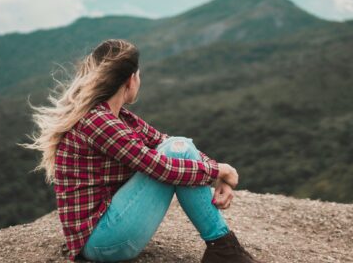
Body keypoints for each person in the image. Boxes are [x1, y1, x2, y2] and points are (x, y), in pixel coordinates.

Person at [21, 39, 262, 262]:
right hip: (100, 241)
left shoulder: (117, 117)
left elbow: (169, 142)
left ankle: (223, 248)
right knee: (173, 155)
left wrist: (219, 174)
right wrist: (219, 170)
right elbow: (158, 165)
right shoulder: (98, 122)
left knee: (178, 144)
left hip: (108, 228)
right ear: (130, 79)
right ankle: (223, 248)